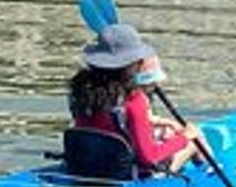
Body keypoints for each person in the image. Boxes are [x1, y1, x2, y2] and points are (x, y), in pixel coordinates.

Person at [68, 21, 199, 177]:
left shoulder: (81, 90)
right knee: (192, 143)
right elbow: (149, 157)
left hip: (86, 167)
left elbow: (105, 126)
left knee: (166, 132)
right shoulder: (134, 99)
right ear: (132, 64)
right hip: (126, 174)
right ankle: (207, 176)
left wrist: (164, 124)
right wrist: (185, 137)